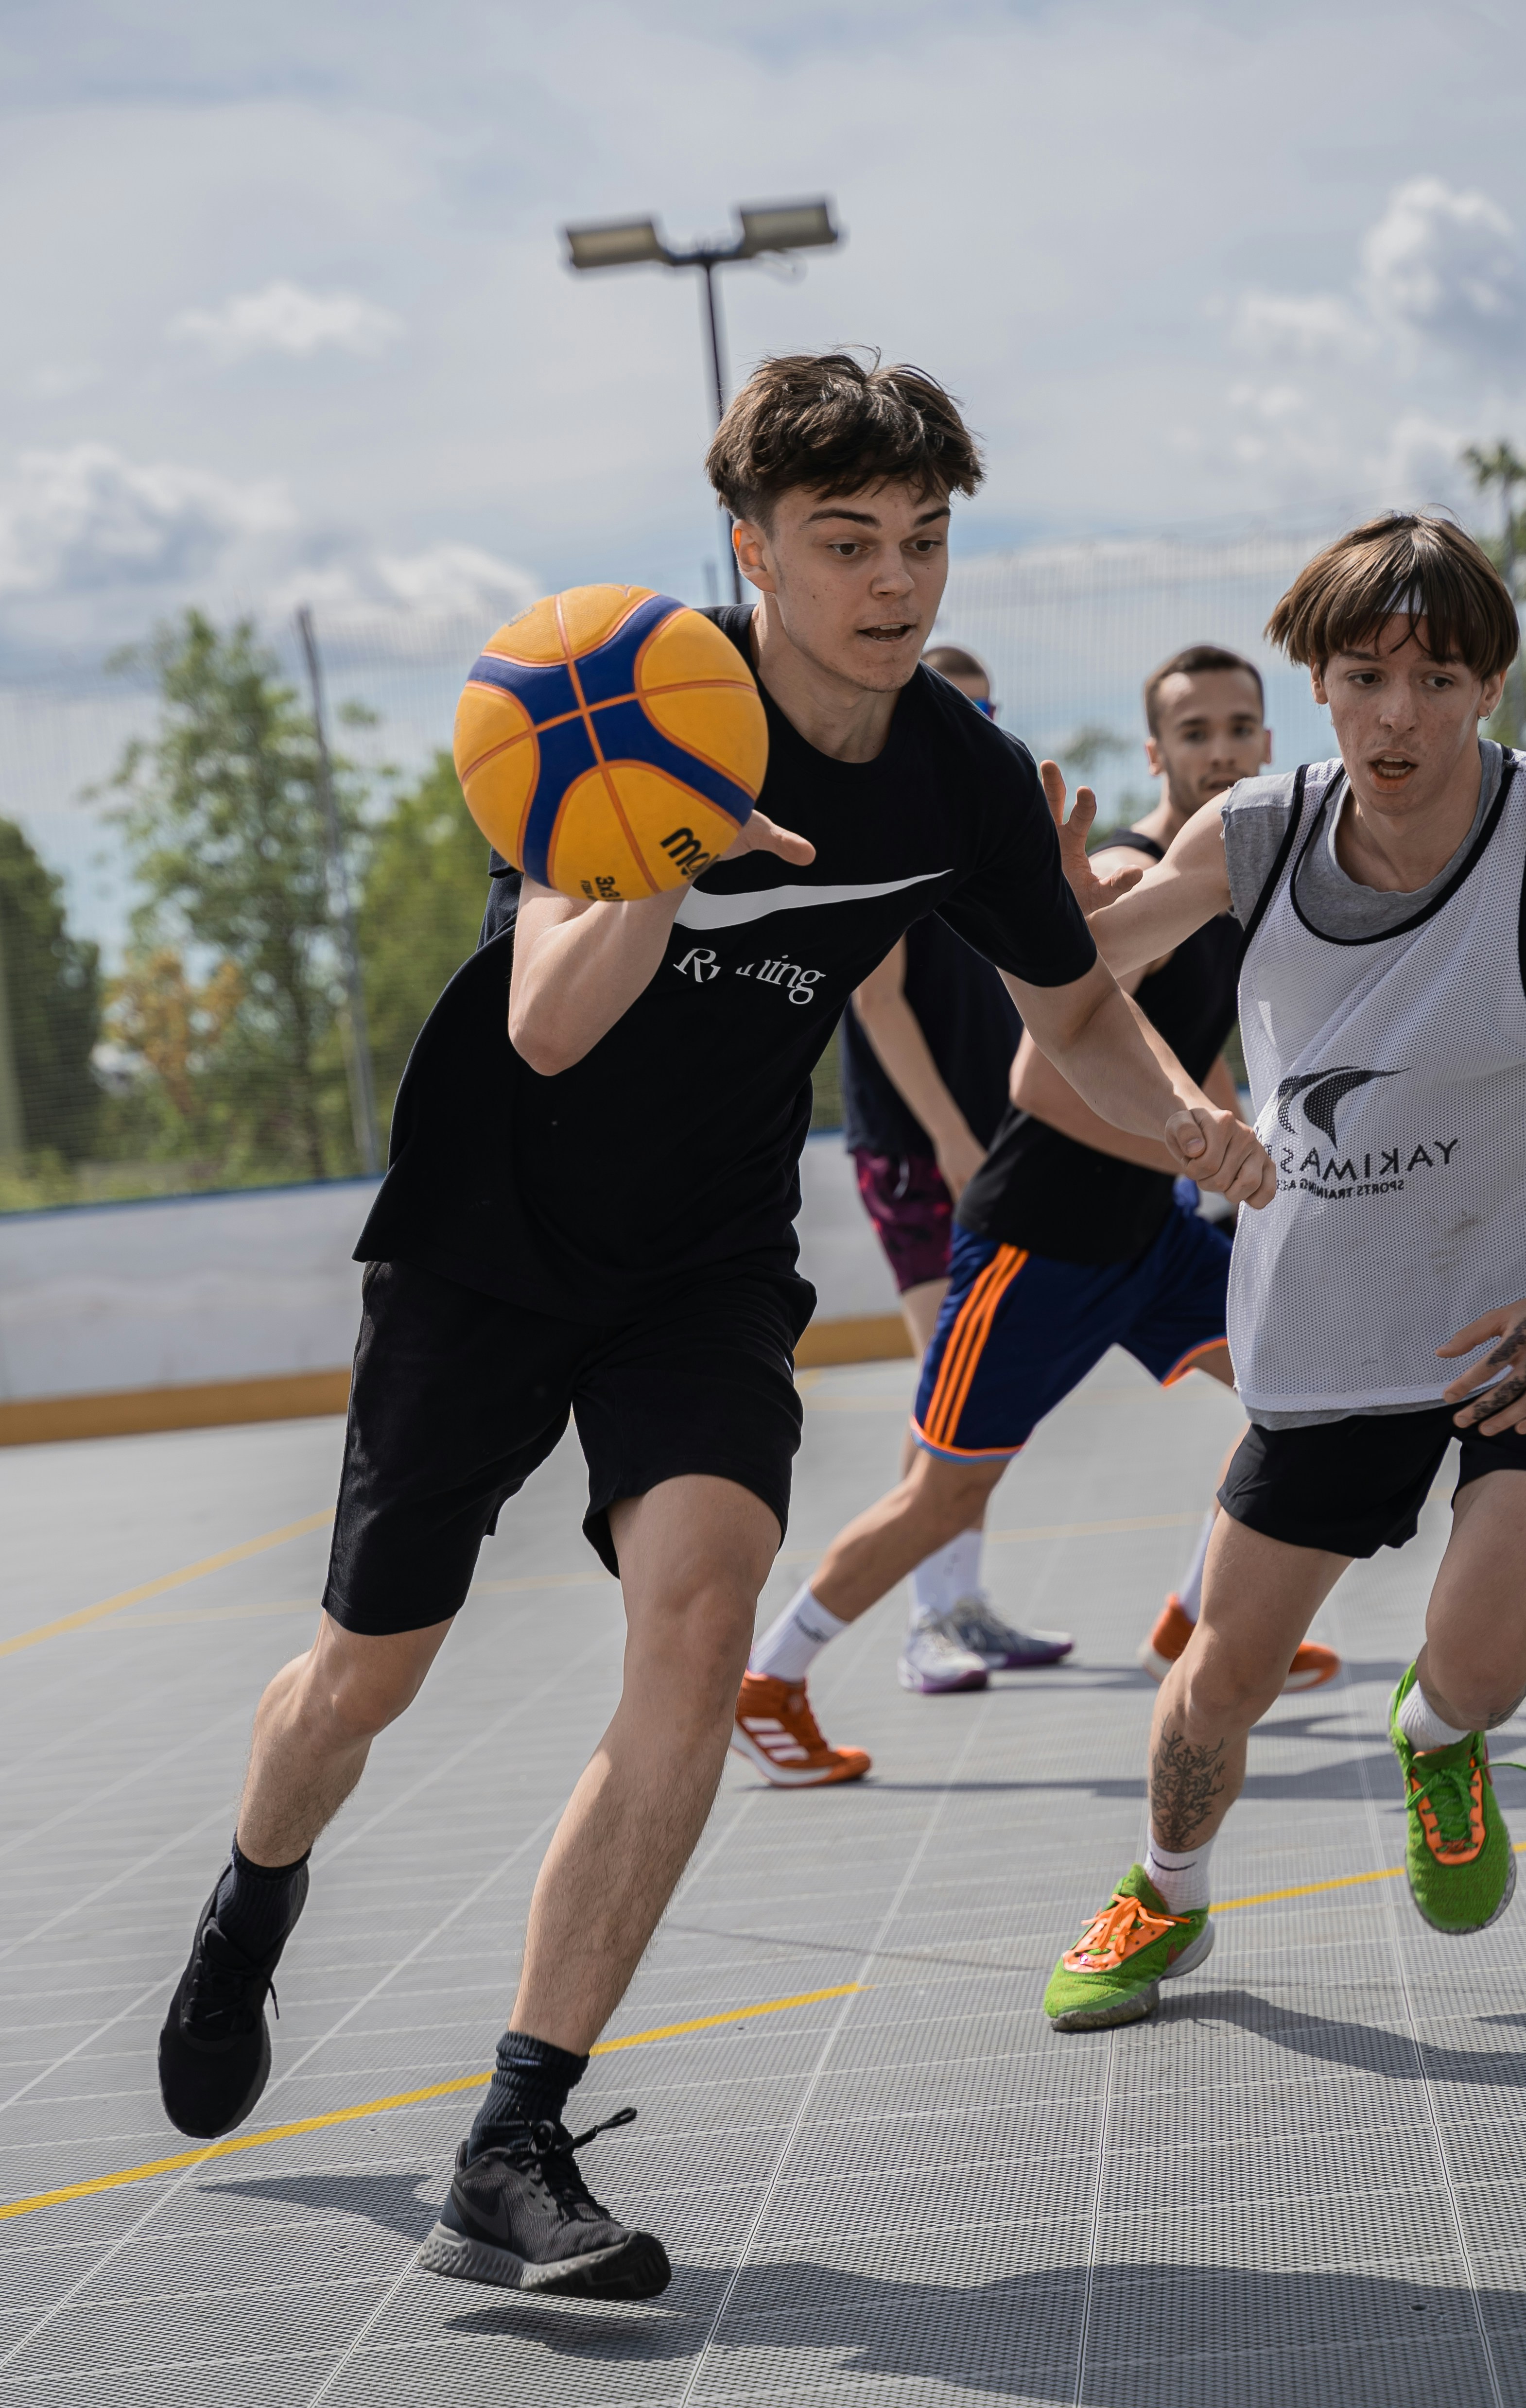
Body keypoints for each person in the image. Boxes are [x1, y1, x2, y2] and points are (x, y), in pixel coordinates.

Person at [154, 351, 1274, 2301]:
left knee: (693, 1614)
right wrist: (676, 841)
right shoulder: (638, 698)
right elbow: (547, 1020)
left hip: (696, 1264)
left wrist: (1178, 1118)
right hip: (485, 1245)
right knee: (361, 1679)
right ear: (747, 547)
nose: (892, 575)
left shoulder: (956, 774)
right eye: (843, 539)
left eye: (920, 537)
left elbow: (1064, 1012)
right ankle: (252, 1898)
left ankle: (512, 2134)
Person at [1041, 509, 1526, 2032]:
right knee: (1220, 1678)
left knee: (1483, 1658)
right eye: (1363, 677)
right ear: (1318, 683)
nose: (1396, 715)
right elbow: (1067, 1005)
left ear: (1488, 686)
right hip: (1336, 1320)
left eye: (1435, 680)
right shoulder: (1252, 834)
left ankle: (1439, 1740)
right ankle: (1162, 1895)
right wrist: (1117, 1036)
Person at [741, 647, 1337, 1748]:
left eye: (1238, 726)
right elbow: (1043, 1073)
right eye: (1194, 731)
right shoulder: (1134, 871)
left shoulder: (1230, 881)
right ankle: (770, 1679)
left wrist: (1250, 1157)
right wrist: (1189, 1140)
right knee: (942, 1497)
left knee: (1301, 1392)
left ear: (1267, 739)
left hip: (1146, 1237)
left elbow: (1187, 1060)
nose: (1220, 748)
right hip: (1039, 1242)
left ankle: (1195, 1613)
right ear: (1157, 754)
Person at [824, 638, 1072, 1701]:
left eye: (983, 709)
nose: (964, 725)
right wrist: (951, 1141)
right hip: (915, 1147)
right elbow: (876, 1004)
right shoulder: (879, 833)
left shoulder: (988, 828)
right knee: (949, 1385)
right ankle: (923, 1619)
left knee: (985, 1390)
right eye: (947, 705)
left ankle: (958, 1599)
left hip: (993, 1133)